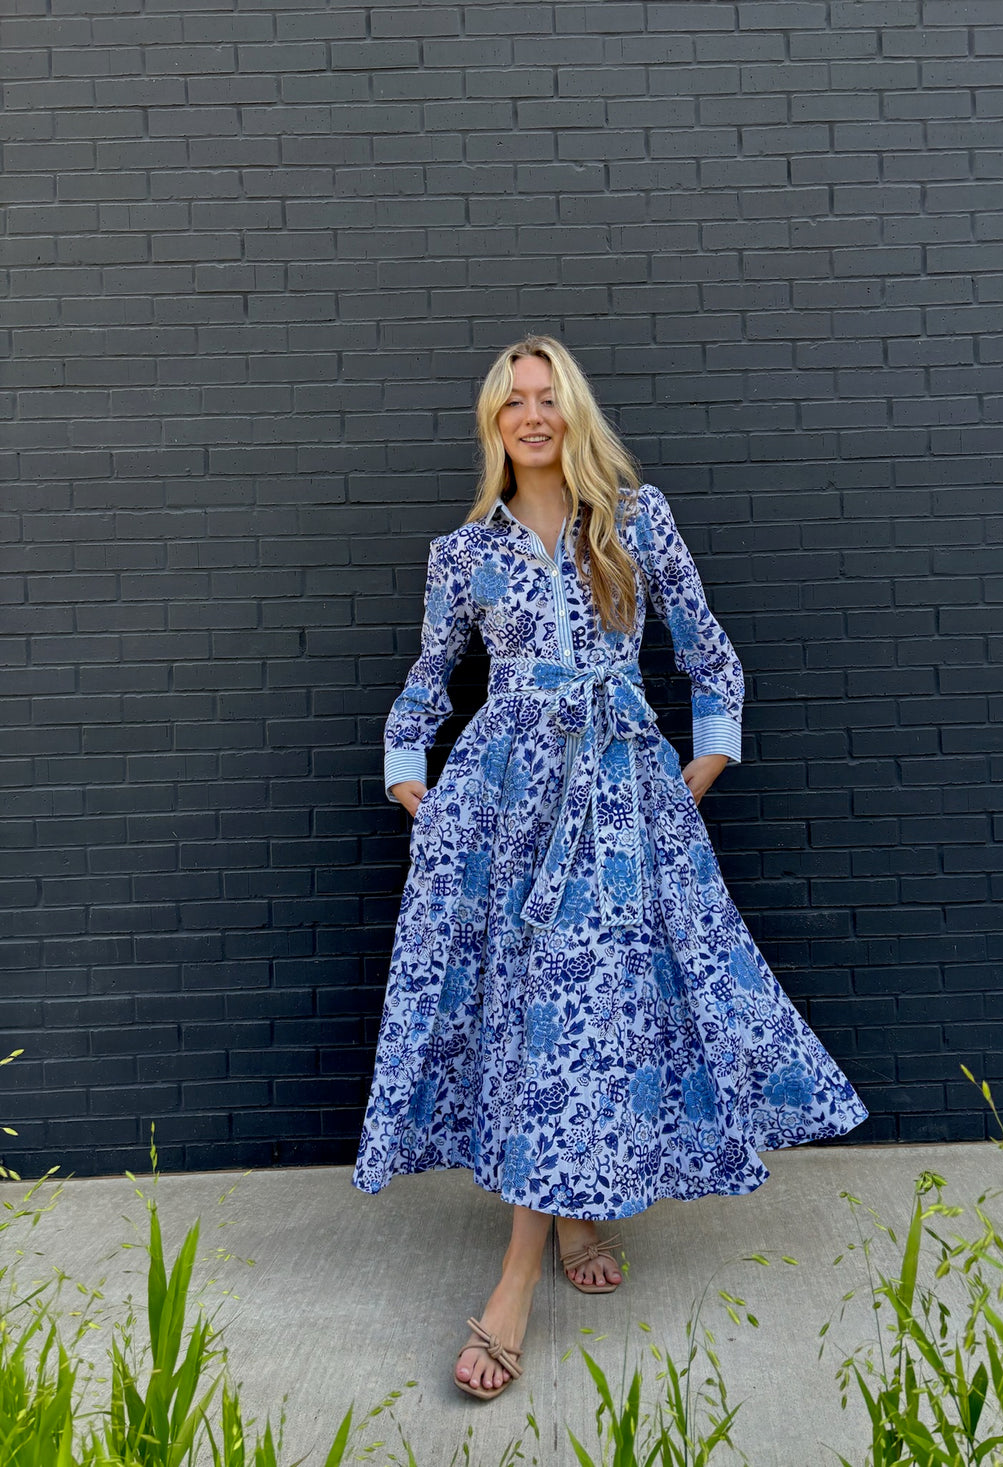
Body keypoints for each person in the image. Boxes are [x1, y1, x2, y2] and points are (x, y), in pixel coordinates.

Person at [353, 335, 868, 1400]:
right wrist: (422, 793)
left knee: (581, 1005)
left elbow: (709, 657)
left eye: (546, 399)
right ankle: (572, 1215)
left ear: (571, 411)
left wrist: (694, 774)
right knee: (540, 1016)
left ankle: (509, 1292)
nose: (531, 417)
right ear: (493, 424)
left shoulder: (636, 520)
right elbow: (423, 690)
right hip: (505, 814)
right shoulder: (463, 555)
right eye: (512, 404)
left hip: (621, 808)